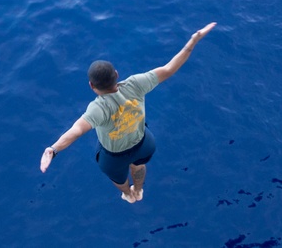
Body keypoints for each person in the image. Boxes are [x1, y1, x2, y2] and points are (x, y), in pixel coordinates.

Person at [40, 22, 216, 203]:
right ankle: (139, 190)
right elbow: (170, 68)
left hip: (113, 158)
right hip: (144, 144)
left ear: (92, 86)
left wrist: (53, 150)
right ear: (116, 74)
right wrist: (193, 41)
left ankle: (128, 193)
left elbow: (76, 131)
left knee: (119, 179)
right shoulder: (136, 84)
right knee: (139, 165)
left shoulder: (98, 108)